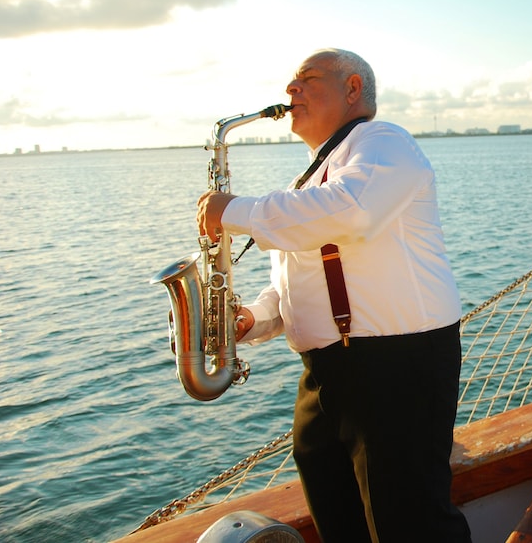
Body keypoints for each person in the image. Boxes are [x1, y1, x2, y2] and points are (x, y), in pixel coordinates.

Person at [196, 48, 472, 543]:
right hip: (328, 372)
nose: (290, 90)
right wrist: (254, 318)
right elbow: (295, 283)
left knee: (410, 524)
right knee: (336, 513)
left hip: (397, 365)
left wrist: (232, 210)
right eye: (292, 82)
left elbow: (352, 212)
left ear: (352, 90)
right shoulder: (310, 179)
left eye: (307, 79)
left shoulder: (385, 142)